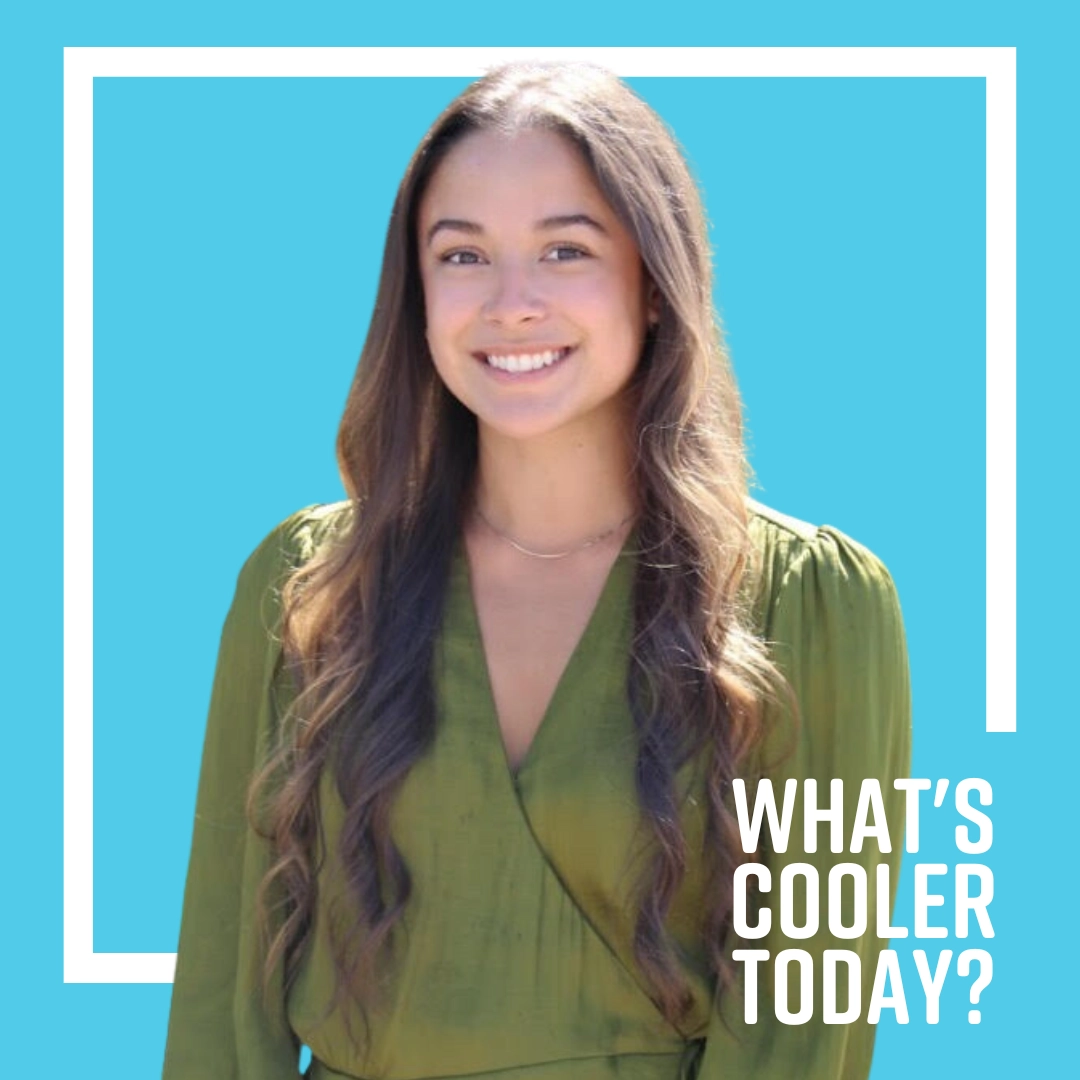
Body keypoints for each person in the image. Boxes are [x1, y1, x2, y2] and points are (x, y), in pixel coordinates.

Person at [162, 62, 910, 1080]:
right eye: (462, 254)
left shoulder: (813, 605)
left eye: (566, 249)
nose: (512, 303)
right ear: (417, 295)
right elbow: (220, 1014)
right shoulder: (304, 591)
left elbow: (804, 1034)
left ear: (655, 283)